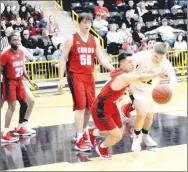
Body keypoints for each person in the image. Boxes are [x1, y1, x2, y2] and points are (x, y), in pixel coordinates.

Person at [85, 52, 167, 159]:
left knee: (120, 131)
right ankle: (101, 147)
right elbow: (140, 77)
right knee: (117, 136)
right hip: (101, 107)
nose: (133, 64)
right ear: (122, 64)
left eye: (133, 62)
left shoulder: (124, 74)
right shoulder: (122, 77)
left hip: (112, 105)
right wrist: (156, 75)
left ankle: (93, 132)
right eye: (130, 62)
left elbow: (132, 89)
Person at [58, 13, 114, 152]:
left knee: (90, 107)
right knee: (81, 107)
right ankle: (78, 139)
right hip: (75, 75)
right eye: (84, 22)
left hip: (89, 76)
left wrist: (115, 70)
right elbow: (63, 58)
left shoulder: (94, 39)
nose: (87, 24)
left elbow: (101, 60)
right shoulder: (71, 38)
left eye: (89, 22)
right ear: (79, 23)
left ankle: (82, 133)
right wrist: (61, 78)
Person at [121, 42, 177, 152]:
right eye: (156, 56)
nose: (158, 59)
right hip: (136, 89)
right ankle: (136, 137)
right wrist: (129, 78)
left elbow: (173, 79)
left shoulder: (165, 64)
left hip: (151, 91)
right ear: (152, 51)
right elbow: (127, 63)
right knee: (141, 114)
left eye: (161, 57)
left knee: (149, 116)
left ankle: (145, 136)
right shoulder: (141, 56)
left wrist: (169, 88)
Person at [1, 30, 37, 143]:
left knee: (25, 103)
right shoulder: (5, 54)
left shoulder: (21, 52)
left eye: (18, 39)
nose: (17, 41)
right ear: (9, 41)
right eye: (14, 39)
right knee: (8, 106)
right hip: (8, 82)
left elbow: (23, 68)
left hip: (19, 81)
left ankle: (21, 126)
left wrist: (31, 82)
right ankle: (5, 133)